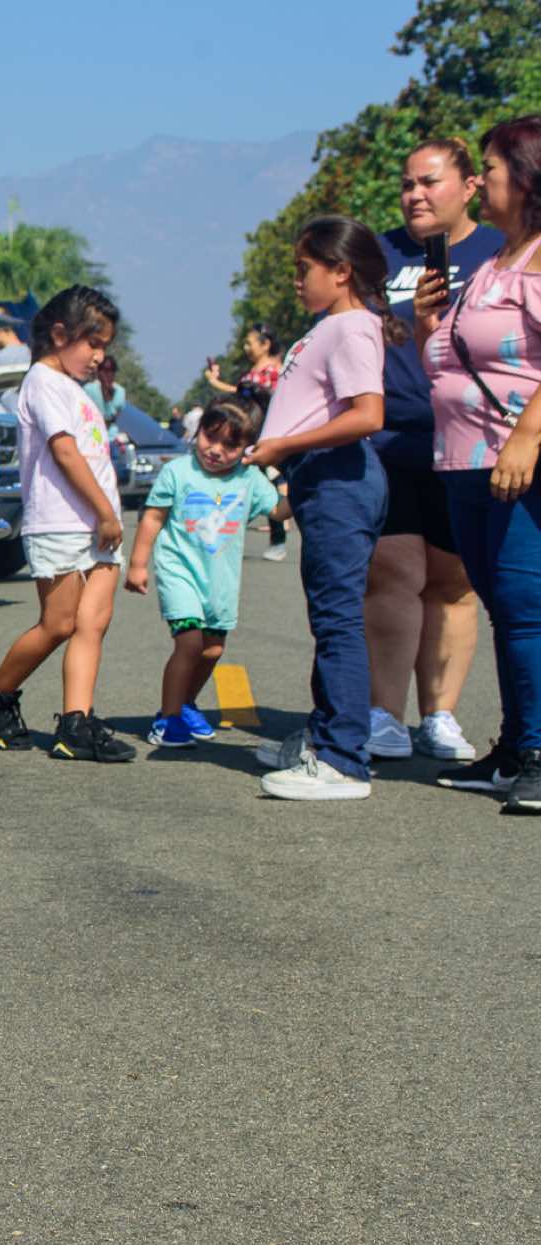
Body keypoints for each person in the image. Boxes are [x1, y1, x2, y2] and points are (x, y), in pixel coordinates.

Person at [246, 216, 404, 801]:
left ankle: (343, 759)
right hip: (324, 480)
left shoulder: (353, 327)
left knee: (337, 621)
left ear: (341, 271)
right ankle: (323, 738)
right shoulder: (330, 325)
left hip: (341, 480)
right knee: (328, 617)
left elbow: (367, 415)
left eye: (303, 268)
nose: (296, 280)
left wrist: (284, 445)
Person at [413, 114, 541, 813]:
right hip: (466, 463)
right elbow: (447, 364)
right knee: (503, 608)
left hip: (517, 464)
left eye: (488, 168)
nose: (481, 180)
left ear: (525, 176)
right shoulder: (496, 262)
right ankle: (516, 746)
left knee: (525, 608)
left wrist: (526, 437)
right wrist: (428, 326)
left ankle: (539, 754)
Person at [362, 138, 500, 764]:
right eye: (407, 183)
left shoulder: (500, 250)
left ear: (470, 187)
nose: (415, 194)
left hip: (472, 441)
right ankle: (384, 716)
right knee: (393, 572)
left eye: (430, 182)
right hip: (390, 441)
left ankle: (439, 716)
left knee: (453, 581)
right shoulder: (378, 254)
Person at [0, 286, 135, 762]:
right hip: (61, 523)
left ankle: (76, 723)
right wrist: (105, 512)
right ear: (60, 335)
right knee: (58, 623)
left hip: (97, 525)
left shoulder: (74, 389)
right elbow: (65, 453)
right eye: (92, 343)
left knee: (93, 623)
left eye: (104, 347)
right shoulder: (41, 380)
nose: (99, 356)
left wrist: (106, 516)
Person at [125, 396, 283, 746]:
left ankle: (185, 704)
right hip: (180, 572)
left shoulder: (250, 479)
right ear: (198, 431)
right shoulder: (178, 472)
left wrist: (306, 481)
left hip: (220, 582)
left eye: (230, 445)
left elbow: (278, 511)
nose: (215, 450)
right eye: (210, 437)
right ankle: (167, 719)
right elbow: (153, 518)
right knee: (189, 644)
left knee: (212, 650)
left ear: (247, 449)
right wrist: (137, 564)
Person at [209, 325, 292, 559]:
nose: (246, 348)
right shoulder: (252, 372)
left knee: (267, 488)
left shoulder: (274, 371)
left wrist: (216, 383)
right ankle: (222, 533)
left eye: (250, 343)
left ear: (265, 344)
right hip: (246, 437)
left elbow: (269, 399)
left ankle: (278, 540)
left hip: (266, 438)